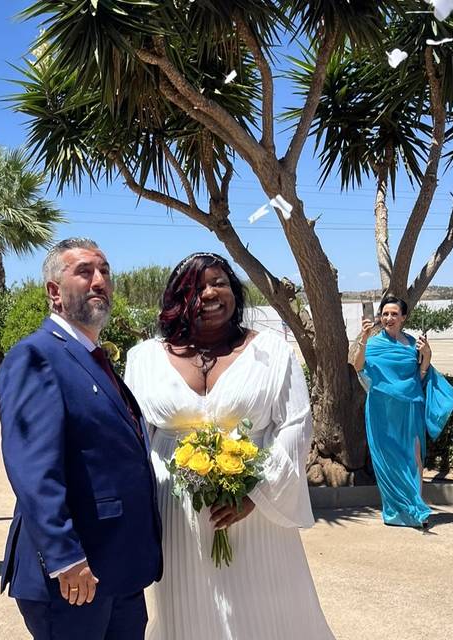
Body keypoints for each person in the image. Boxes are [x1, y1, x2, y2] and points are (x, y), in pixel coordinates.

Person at [125, 252, 334, 639]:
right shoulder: (143, 359)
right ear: (176, 299)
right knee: (187, 609)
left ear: (235, 291)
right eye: (196, 286)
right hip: (178, 515)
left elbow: (294, 425)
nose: (209, 293)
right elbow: (136, 436)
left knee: (267, 607)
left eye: (219, 282)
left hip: (256, 511)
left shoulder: (271, 352)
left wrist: (256, 493)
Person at [0, 238, 162, 640]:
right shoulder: (36, 357)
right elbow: (34, 472)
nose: (99, 280)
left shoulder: (90, 357)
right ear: (54, 292)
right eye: (84, 271)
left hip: (117, 566)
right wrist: (66, 557)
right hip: (73, 575)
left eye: (104, 271)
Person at [354, 295, 453, 528]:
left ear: (403, 317)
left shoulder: (413, 344)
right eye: (385, 313)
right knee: (387, 461)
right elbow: (358, 366)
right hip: (381, 410)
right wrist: (362, 339)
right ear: (380, 316)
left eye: (394, 314)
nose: (389, 318)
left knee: (414, 458)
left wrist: (427, 357)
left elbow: (420, 376)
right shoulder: (373, 342)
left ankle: (416, 509)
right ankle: (395, 512)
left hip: (410, 407)